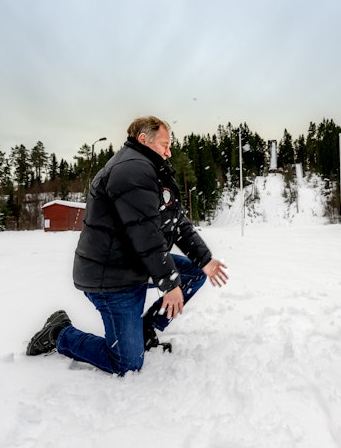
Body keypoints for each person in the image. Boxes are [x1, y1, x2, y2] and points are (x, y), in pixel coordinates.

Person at [26, 116, 229, 375]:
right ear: (143, 139)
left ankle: (144, 329)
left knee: (195, 273)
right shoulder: (131, 170)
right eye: (165, 145)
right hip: (111, 274)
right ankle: (60, 334)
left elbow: (176, 221)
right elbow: (146, 233)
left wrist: (205, 260)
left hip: (134, 263)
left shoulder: (150, 169)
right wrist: (168, 282)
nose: (169, 151)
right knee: (127, 363)